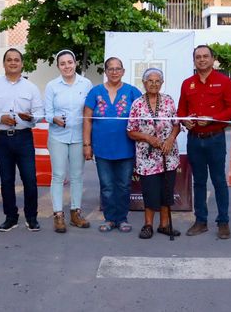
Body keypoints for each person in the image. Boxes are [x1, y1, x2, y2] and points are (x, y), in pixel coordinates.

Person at [177, 45, 231, 239]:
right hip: (194, 140)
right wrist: (184, 120)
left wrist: (214, 119)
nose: (202, 60)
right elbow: (180, 111)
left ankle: (223, 222)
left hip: (215, 139)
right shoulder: (187, 83)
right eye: (198, 57)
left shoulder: (224, 82)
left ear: (213, 60)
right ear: (194, 60)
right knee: (199, 182)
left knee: (219, 181)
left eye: (205, 56)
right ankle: (200, 221)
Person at [0, 48, 44, 232]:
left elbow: (39, 112)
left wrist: (31, 118)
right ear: (4, 63)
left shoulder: (30, 87)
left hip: (24, 138)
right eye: (9, 60)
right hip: (2, 138)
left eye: (17, 60)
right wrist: (0, 118)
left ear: (22, 64)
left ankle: (31, 217)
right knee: (7, 181)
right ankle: (10, 217)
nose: (13, 62)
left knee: (30, 180)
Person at [83, 57, 141, 233]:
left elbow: (142, 117)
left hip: (126, 148)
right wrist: (87, 145)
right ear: (105, 72)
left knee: (124, 185)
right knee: (107, 186)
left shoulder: (132, 92)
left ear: (123, 71)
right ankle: (109, 219)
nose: (114, 72)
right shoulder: (95, 92)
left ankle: (122, 219)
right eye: (110, 69)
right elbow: (87, 120)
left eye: (118, 69)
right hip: (102, 148)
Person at [126, 68, 181, 240]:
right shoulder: (137, 104)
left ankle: (164, 225)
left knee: (167, 190)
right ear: (143, 83)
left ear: (162, 83)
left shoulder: (169, 101)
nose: (154, 84)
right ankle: (148, 225)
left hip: (168, 154)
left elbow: (176, 124)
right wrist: (148, 138)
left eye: (157, 81)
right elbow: (130, 131)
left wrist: (171, 138)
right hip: (147, 157)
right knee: (150, 191)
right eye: (150, 80)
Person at [44, 49, 92, 233]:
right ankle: (58, 214)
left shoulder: (86, 84)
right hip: (58, 136)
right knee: (58, 175)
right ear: (58, 66)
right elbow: (46, 112)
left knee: (77, 176)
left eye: (69, 62)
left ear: (75, 63)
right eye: (62, 63)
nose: (67, 66)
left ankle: (75, 213)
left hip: (79, 136)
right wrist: (53, 118)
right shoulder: (52, 86)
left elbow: (89, 111)